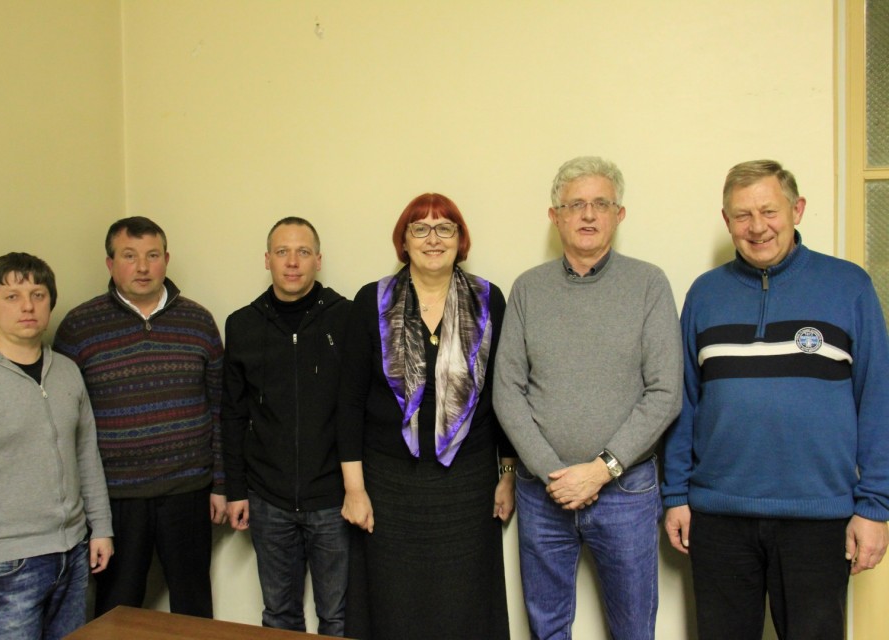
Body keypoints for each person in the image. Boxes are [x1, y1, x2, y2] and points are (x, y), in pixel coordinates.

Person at [662, 159, 889, 640]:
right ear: (727, 221)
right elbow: (683, 400)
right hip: (718, 516)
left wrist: (875, 506)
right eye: (742, 215)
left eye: (769, 211)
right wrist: (676, 495)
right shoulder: (704, 294)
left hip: (818, 516)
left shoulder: (849, 287)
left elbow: (879, 400)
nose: (757, 226)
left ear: (797, 210)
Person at [493, 156, 683, 640]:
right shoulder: (528, 289)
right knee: (547, 628)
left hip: (626, 492)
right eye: (575, 204)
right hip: (543, 493)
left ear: (620, 214)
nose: (589, 214)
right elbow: (507, 391)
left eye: (601, 203)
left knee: (633, 628)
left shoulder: (649, 284)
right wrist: (553, 474)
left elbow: (665, 393)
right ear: (554, 216)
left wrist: (600, 471)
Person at [337, 193, 517, 640]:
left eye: (444, 228)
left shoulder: (488, 299)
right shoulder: (372, 300)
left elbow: (503, 395)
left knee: (464, 603)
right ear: (404, 240)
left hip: (467, 484)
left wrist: (508, 475)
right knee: (394, 603)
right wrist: (354, 489)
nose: (433, 239)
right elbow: (349, 402)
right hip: (389, 485)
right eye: (420, 228)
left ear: (460, 239)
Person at [0, 252, 113, 639]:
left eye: (38, 294)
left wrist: (101, 528)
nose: (27, 306)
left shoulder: (67, 371)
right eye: (12, 296)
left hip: (73, 555)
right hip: (4, 569)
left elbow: (86, 457)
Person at [53, 216, 225, 618]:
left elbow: (219, 409)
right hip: (116, 498)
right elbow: (65, 423)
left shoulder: (198, 321)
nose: (143, 267)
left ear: (167, 259)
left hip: (188, 489)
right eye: (129, 256)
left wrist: (221, 483)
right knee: (117, 606)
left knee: (193, 606)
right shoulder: (79, 327)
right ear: (110, 263)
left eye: (152, 255)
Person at [221, 217, 351, 635]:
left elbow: (360, 409)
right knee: (279, 616)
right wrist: (236, 490)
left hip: (333, 498)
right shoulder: (242, 325)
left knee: (339, 617)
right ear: (267, 260)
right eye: (282, 252)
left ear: (318, 260)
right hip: (267, 498)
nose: (292, 262)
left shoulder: (346, 318)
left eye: (302, 252)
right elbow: (232, 415)